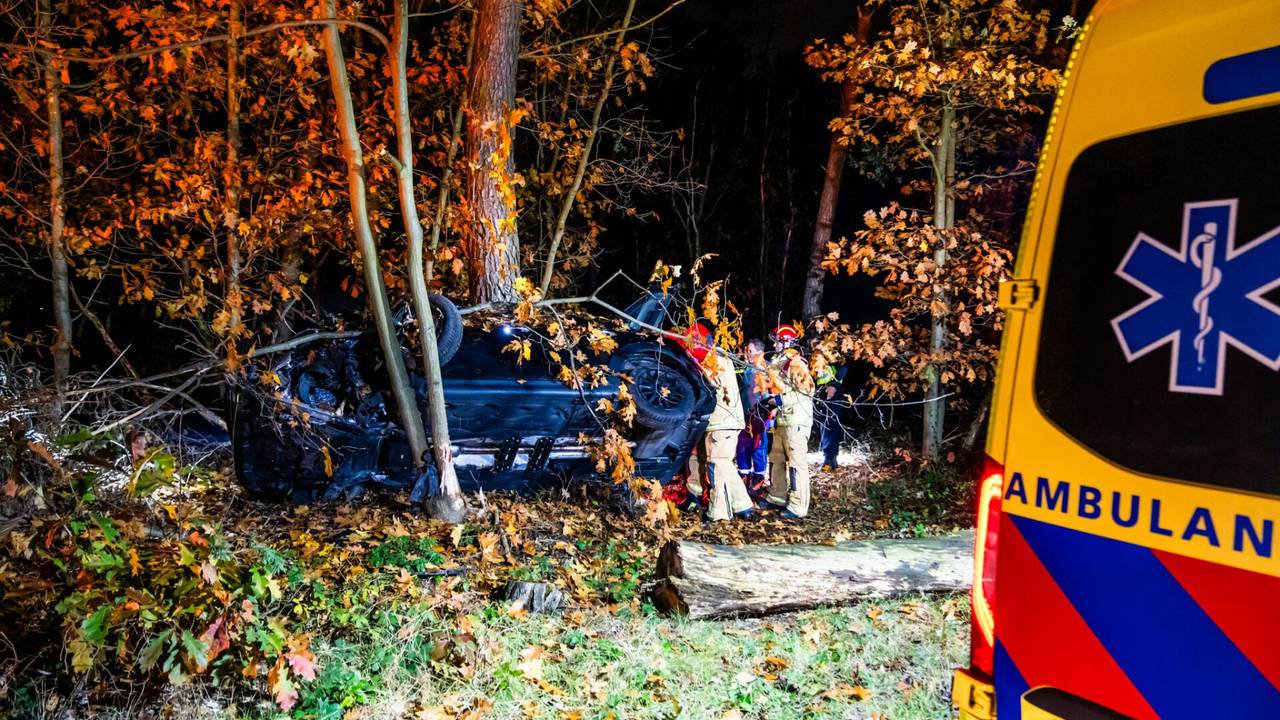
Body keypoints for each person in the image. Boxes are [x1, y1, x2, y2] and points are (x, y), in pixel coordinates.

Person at [680, 323, 755, 521]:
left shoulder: (715, 360)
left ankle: (719, 513)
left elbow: (707, 387)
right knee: (723, 465)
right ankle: (743, 506)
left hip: (723, 422)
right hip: (720, 421)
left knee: (717, 467)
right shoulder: (714, 357)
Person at [765, 323, 815, 519]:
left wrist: (779, 400)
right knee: (776, 459)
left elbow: (807, 391)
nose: (774, 345)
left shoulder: (796, 363)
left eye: (777, 341)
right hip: (783, 420)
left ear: (786, 342)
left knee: (796, 464)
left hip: (797, 420)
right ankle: (777, 496)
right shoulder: (778, 363)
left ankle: (798, 506)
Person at [736, 338, 770, 499]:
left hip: (759, 417)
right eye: (746, 351)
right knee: (742, 448)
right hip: (744, 416)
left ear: (760, 352)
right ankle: (744, 477)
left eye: (750, 351)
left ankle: (758, 481)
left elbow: (772, 396)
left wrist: (769, 417)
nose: (747, 354)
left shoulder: (766, 370)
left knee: (758, 449)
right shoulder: (745, 368)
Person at [814, 354, 847, 472]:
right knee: (824, 426)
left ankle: (830, 459)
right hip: (821, 394)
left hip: (833, 395)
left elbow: (843, 369)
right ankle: (830, 458)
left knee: (831, 426)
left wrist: (833, 386)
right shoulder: (815, 359)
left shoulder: (831, 357)